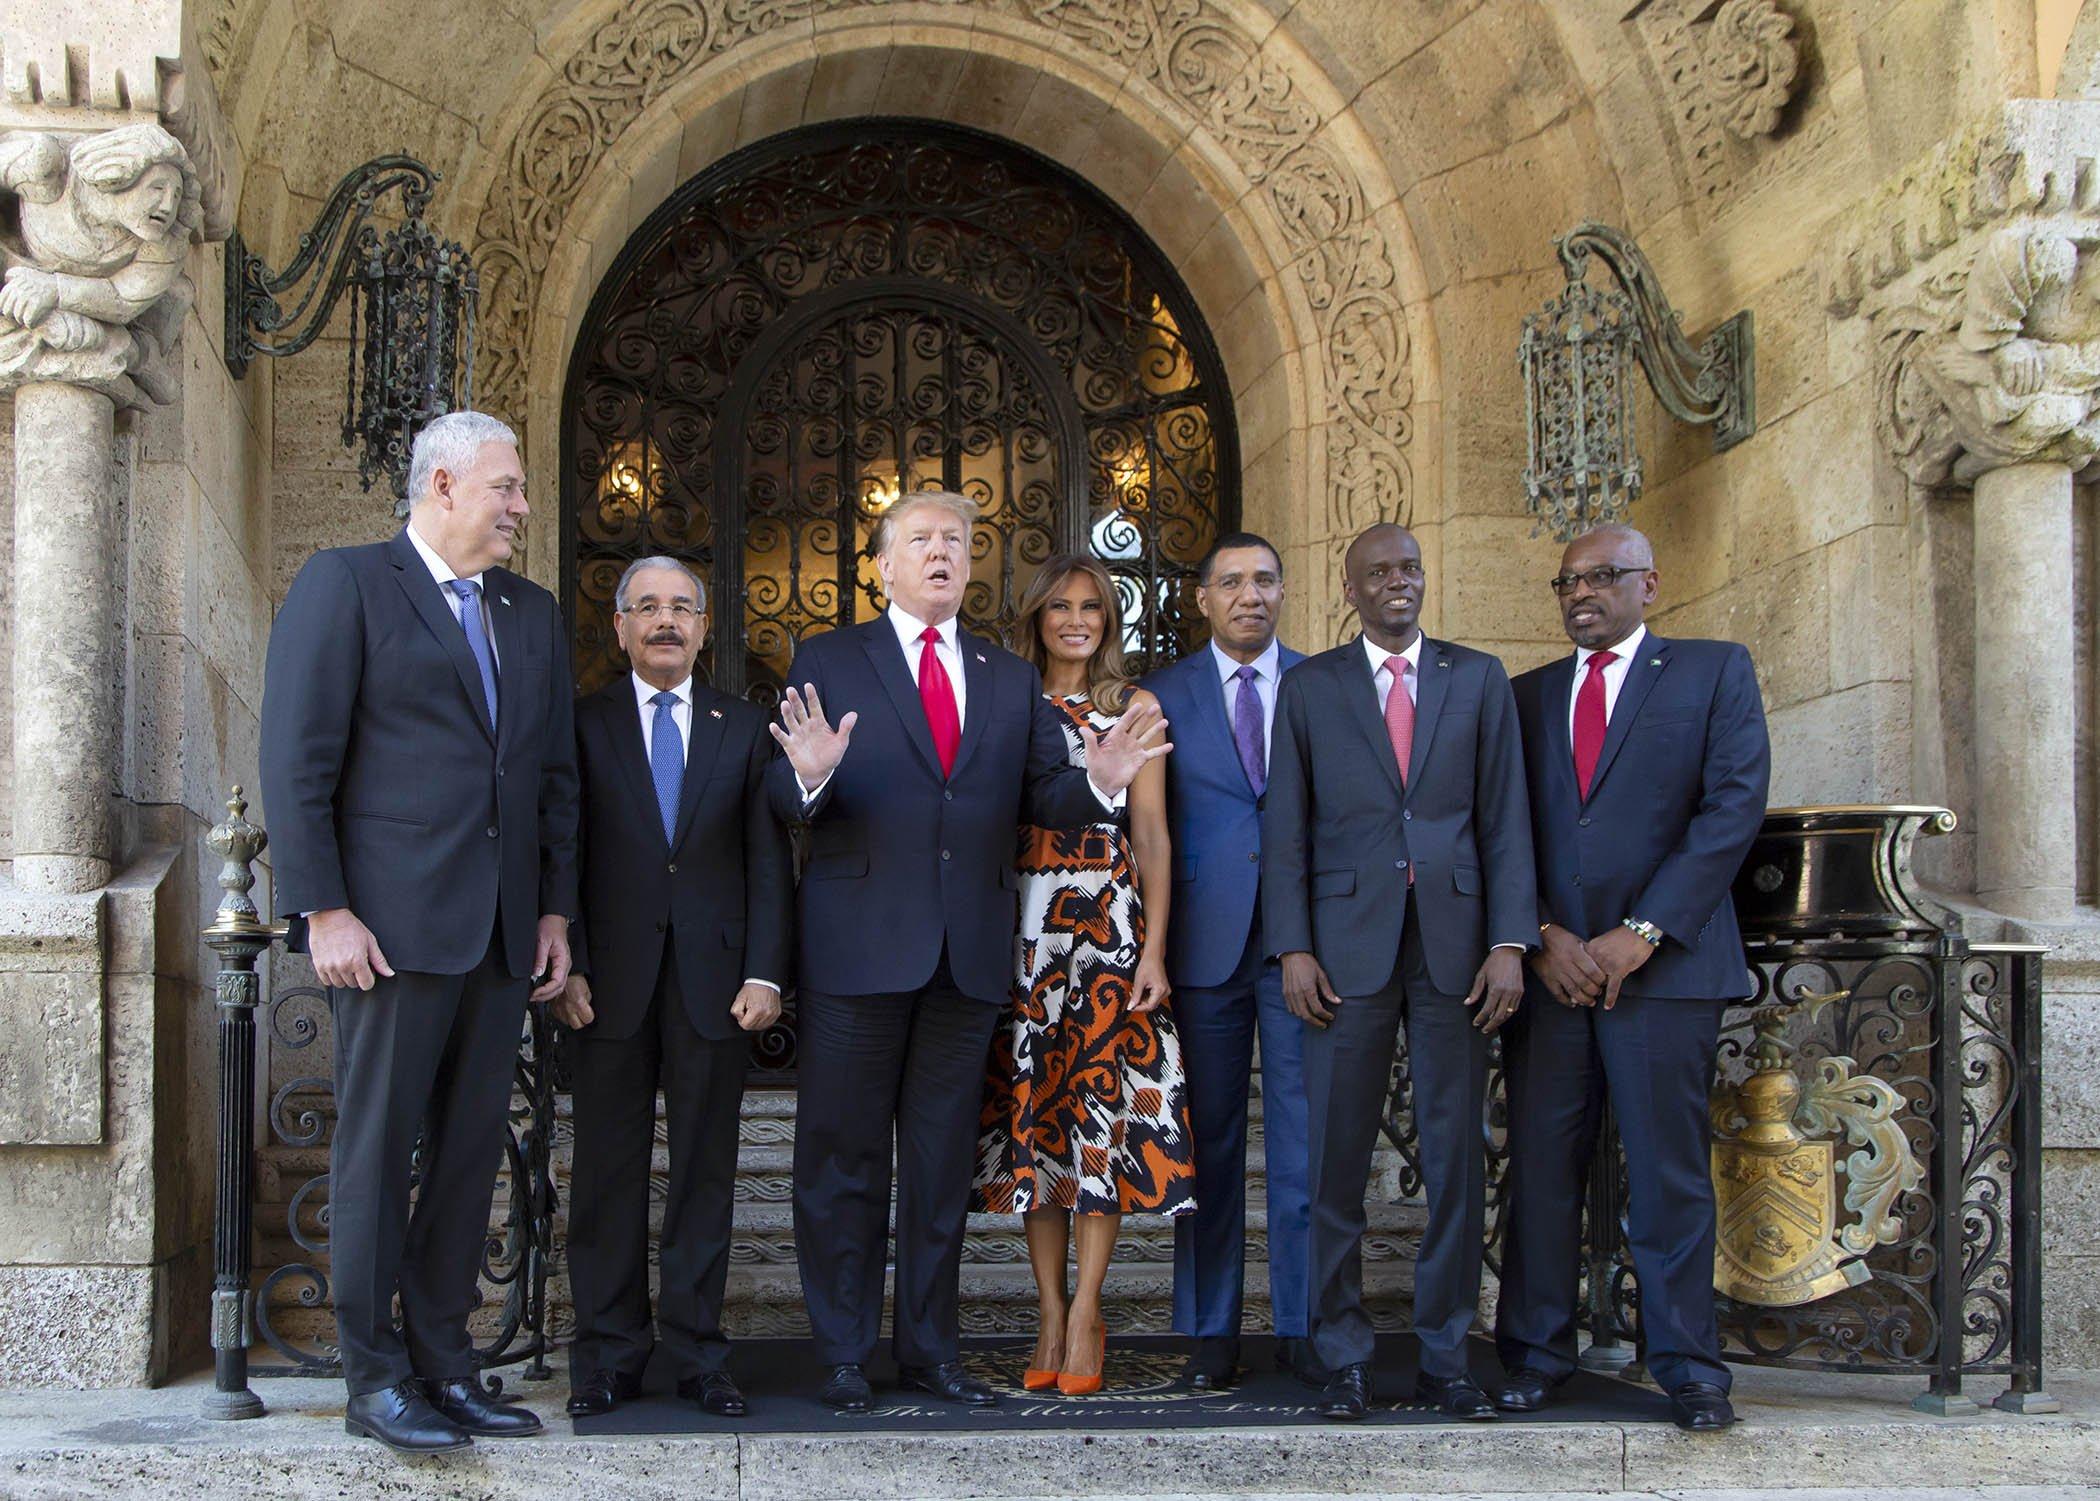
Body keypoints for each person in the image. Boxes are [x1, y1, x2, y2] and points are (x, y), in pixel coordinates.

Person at [768, 491, 1171, 1412]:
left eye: (956, 539)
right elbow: (780, 799)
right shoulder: (831, 658)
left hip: (967, 956)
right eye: (920, 539)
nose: (941, 552)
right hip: (858, 952)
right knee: (844, 1161)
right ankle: (840, 1352)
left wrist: (1099, 781)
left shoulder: (1002, 675)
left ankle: (929, 1349)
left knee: (943, 1164)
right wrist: (810, 773)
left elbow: (1045, 794)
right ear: (883, 564)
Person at [258, 411, 577, 1454]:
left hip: (498, 937)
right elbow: (299, 758)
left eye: (521, 489)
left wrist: (552, 909)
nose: (521, 508)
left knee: (466, 1158)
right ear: (443, 485)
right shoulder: (345, 584)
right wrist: (323, 907)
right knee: (373, 1152)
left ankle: (446, 1362)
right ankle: (374, 1377)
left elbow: (552, 779)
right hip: (387, 932)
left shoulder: (530, 614)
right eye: (508, 488)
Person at [1491, 524, 1769, 1434]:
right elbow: (1499, 828)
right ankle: (1535, 1352)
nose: (1582, 593)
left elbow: (1733, 806)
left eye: (1603, 576)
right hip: (1553, 972)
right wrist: (1541, 935)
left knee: (1667, 1174)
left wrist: (1642, 932)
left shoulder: (1713, 671)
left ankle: (1688, 1363)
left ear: (1650, 582)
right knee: (1539, 1168)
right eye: (1568, 580)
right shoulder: (1523, 696)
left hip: (1666, 970)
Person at [1262, 521, 1534, 1422]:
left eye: (1410, 568)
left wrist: (1510, 941)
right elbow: (1286, 830)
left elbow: (1506, 820)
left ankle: (1447, 1355)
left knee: (1457, 1158)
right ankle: (1339, 1352)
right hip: (1343, 949)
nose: (1398, 582)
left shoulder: (1478, 677)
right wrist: (1293, 945)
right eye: (1379, 572)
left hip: (1459, 948)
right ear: (1350, 589)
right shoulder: (1309, 687)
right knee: (1337, 1156)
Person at [555, 557, 792, 1422]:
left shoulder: (745, 725)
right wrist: (567, 959)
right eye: (646, 607)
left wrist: (767, 969)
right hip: (604, 984)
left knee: (705, 1174)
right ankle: (608, 1356)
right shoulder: (580, 725)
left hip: (717, 984)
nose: (664, 620)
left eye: (681, 607)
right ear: (618, 626)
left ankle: (698, 1352)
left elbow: (770, 859)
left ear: (704, 625)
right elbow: (563, 851)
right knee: (606, 1177)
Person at [973, 554, 1196, 1396]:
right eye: (1061, 605)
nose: (1077, 619)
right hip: (1025, 935)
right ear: (1035, 614)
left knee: (1099, 1120)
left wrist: (1157, 950)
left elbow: (1153, 836)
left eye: (1092, 606)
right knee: (1037, 1123)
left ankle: (1088, 1311)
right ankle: (1046, 1305)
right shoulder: (1005, 700)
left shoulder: (1134, 707)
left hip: (1107, 933)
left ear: (1110, 617)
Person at [1139, 532, 1312, 1391]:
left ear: (1284, 592)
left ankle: (1304, 1323)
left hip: (1301, 949)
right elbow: (1150, 831)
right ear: (1202, 598)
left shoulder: (1322, 683)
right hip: (1202, 946)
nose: (1251, 594)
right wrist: (1153, 948)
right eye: (1232, 582)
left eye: (1265, 580)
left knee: (1303, 1142)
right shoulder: (1162, 693)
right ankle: (1210, 1331)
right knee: (1205, 1145)